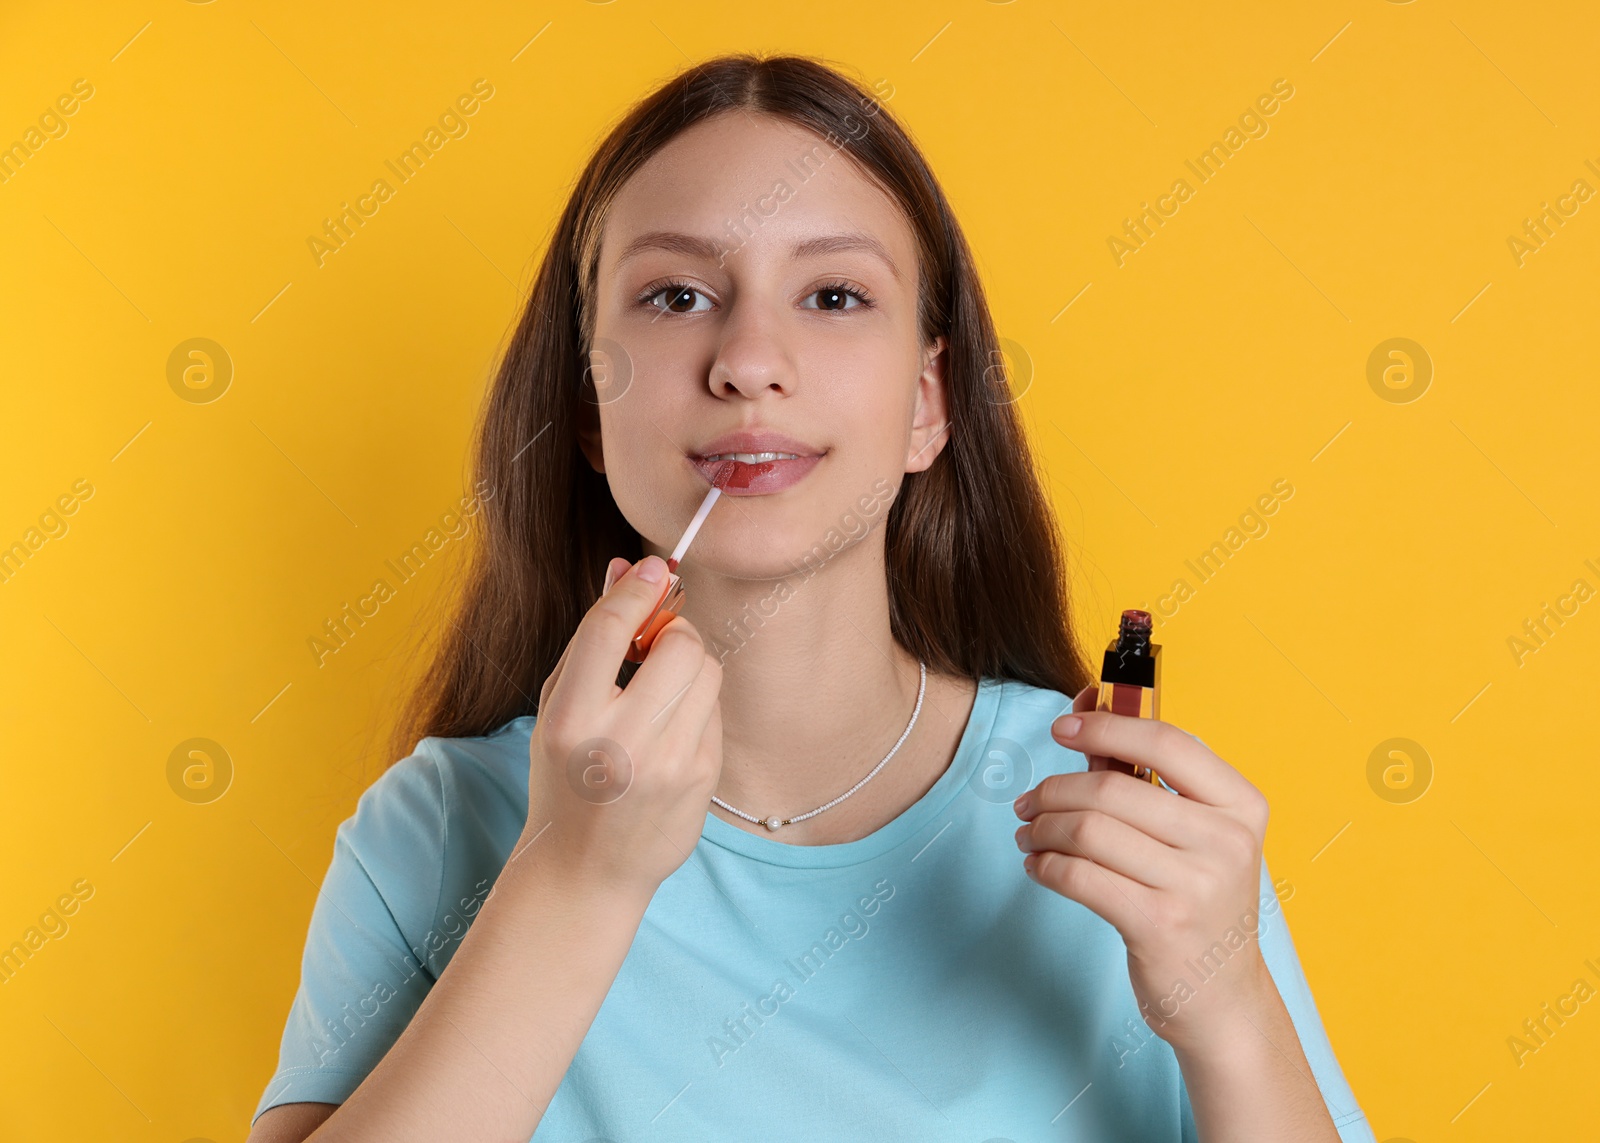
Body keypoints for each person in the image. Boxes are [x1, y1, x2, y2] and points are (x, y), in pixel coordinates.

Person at [246, 53, 1375, 1143]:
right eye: (677, 295)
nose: (748, 358)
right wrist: (575, 877)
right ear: (590, 406)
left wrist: (1230, 1015)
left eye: (833, 295)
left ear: (927, 403)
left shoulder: (1121, 825)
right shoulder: (438, 828)